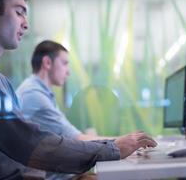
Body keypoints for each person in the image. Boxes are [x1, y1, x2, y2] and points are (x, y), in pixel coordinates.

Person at [0, 0, 157, 180]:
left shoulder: (1, 80)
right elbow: (27, 143)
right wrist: (113, 148)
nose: (26, 24)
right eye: (19, 12)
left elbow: (20, 152)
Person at [16, 40, 117, 179]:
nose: (68, 71)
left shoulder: (39, 91)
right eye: (64, 63)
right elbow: (78, 140)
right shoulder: (34, 95)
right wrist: (123, 143)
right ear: (47, 63)